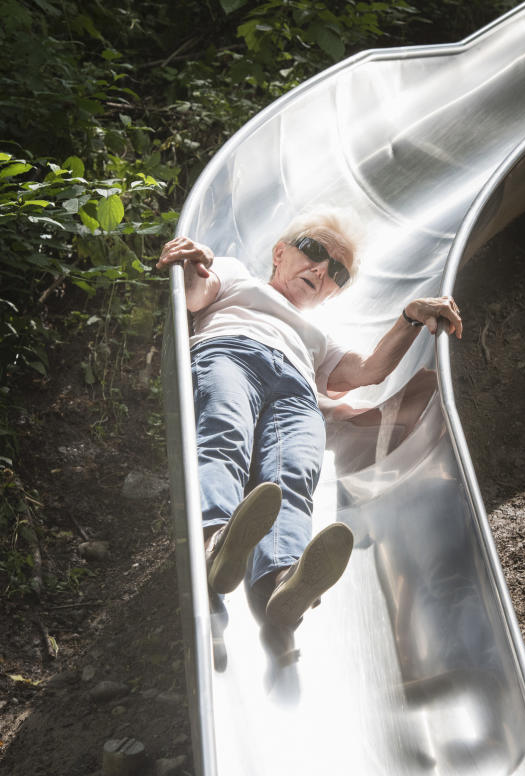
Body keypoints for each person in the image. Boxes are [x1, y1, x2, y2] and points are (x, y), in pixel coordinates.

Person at [157, 213, 463, 651]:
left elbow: (366, 371)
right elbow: (194, 293)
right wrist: (189, 262)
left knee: (295, 475)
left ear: (334, 291)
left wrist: (409, 317)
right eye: (315, 251)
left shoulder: (319, 336)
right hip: (232, 352)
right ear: (281, 253)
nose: (321, 270)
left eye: (336, 272)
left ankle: (283, 584)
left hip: (298, 390)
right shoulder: (238, 276)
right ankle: (214, 542)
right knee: (225, 434)